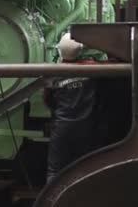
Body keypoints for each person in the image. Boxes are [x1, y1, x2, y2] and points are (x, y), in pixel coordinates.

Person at [44, 33, 98, 184]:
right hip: (85, 126)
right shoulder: (91, 68)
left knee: (55, 170)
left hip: (62, 126)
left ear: (60, 51)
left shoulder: (53, 72)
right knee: (82, 168)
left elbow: (47, 100)